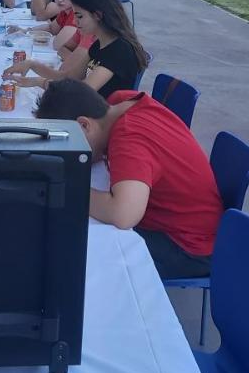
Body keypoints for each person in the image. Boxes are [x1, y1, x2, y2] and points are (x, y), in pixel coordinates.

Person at [34, 79, 222, 279]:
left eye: (67, 142)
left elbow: (123, 214)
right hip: (179, 221)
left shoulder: (129, 136)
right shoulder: (121, 102)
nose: (68, 152)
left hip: (190, 246)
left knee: (79, 252)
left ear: (84, 124)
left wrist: (62, 186)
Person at [3, 0, 147, 98]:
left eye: (79, 16)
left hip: (105, 118)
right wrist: (31, 64)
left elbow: (81, 92)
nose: (75, 21)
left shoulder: (119, 49)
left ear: (97, 15)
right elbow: (67, 77)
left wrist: (39, 82)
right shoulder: (99, 44)